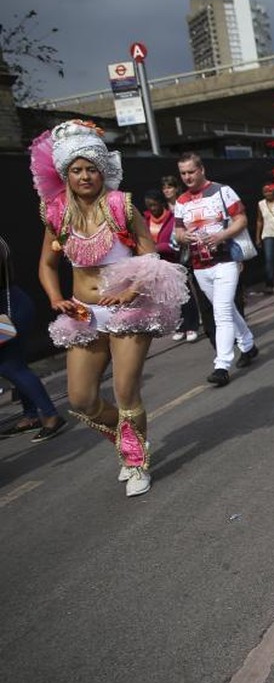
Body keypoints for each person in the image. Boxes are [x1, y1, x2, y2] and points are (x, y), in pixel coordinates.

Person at [32, 120, 188, 496]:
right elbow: (47, 265)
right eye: (77, 170)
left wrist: (132, 288)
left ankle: (135, 462)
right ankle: (128, 439)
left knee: (125, 390)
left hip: (128, 311)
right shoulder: (55, 214)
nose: (85, 176)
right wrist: (55, 298)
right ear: (65, 174)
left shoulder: (123, 205)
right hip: (84, 314)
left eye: (91, 168)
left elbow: (151, 255)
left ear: (103, 171)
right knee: (82, 399)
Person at [173, 153, 259, 387]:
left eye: (191, 171)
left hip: (226, 260)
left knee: (220, 311)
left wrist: (222, 235)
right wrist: (184, 237)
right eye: (183, 173)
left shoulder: (223, 191)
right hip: (200, 266)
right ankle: (249, 345)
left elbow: (241, 219)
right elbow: (178, 232)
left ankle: (221, 365)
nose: (187, 177)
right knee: (227, 309)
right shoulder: (181, 201)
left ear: (201, 169)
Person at [0, 236, 67, 443]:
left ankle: (50, 415)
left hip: (7, 310)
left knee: (9, 366)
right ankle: (31, 416)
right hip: (14, 304)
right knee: (15, 363)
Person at [144, 188, 200, 341]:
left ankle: (192, 326)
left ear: (161, 203)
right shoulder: (145, 220)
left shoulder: (173, 219)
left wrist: (158, 247)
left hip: (174, 263)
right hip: (156, 265)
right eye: (149, 206)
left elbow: (176, 244)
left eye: (154, 205)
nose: (152, 208)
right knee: (169, 299)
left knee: (184, 295)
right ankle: (180, 326)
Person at [160, 175, 204, 342]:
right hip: (172, 253)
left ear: (176, 188)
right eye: (164, 188)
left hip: (189, 249)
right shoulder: (163, 208)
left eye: (169, 187)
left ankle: (198, 319)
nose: (167, 190)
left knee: (196, 286)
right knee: (178, 289)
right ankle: (184, 323)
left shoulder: (183, 203)